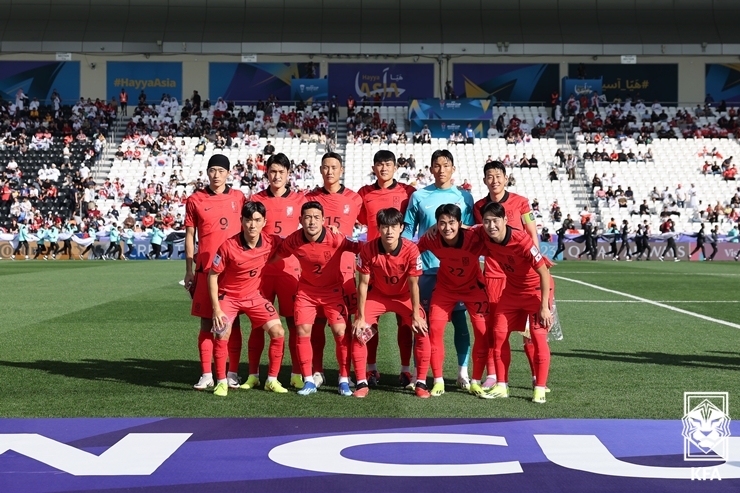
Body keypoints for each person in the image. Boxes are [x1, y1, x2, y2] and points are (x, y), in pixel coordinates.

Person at [273, 201, 363, 396]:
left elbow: (361, 248)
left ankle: (344, 379)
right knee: (302, 330)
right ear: (300, 220)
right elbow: (274, 256)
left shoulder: (335, 238)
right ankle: (308, 381)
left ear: (323, 220)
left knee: (341, 332)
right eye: (307, 217)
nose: (311, 222)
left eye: (316, 217)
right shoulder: (293, 240)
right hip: (307, 292)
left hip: (333, 291)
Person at [403, 149, 475, 390]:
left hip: (457, 272)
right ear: (431, 169)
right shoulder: (419, 196)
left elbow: (472, 229)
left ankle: (462, 372)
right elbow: (407, 231)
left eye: (446, 165)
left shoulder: (465, 197)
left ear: (453, 169)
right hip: (426, 270)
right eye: (437, 165)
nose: (441, 169)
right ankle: (418, 373)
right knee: (422, 324)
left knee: (460, 323)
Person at [472, 160, 547, 390]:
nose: (494, 181)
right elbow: (480, 234)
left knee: (530, 333)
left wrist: (535, 261)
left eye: (498, 176)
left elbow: (532, 233)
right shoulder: (479, 206)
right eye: (490, 177)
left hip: (523, 277)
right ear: (485, 180)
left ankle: (537, 377)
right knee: (497, 330)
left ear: (506, 178)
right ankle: (494, 377)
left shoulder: (522, 203)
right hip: (494, 274)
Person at [476, 201, 554, 404]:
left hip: (536, 291)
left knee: (537, 337)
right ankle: (502, 386)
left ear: (504, 220)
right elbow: (464, 229)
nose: (491, 225)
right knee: (499, 334)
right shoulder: (483, 233)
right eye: (486, 221)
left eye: (495, 221)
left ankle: (539, 388)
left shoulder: (522, 241)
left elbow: (544, 273)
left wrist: (545, 307)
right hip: (512, 291)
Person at [208, 201, 288, 397]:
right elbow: (212, 275)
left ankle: (271, 380)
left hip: (254, 297)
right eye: (248, 220)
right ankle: (221, 382)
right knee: (221, 333)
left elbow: (296, 240)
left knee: (278, 331)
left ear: (264, 222)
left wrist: (329, 230)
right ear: (241, 221)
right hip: (229, 297)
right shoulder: (227, 246)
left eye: (257, 220)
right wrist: (217, 308)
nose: (252, 225)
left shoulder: (271, 241)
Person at [184, 154, 247, 391]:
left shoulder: (238, 197)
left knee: (234, 321)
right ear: (207, 172)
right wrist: (189, 269)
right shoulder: (195, 200)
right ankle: (206, 373)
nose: (216, 174)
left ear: (229, 173)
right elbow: (190, 236)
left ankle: (232, 372)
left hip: (233, 271)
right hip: (205, 269)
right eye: (213, 170)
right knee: (205, 322)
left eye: (221, 170)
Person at [351, 207, 429, 398]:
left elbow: (414, 285)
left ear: (401, 227)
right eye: (385, 227)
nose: (389, 231)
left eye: (394, 227)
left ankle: (420, 381)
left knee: (422, 330)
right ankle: (362, 380)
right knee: (360, 331)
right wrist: (360, 317)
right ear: (378, 228)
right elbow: (362, 284)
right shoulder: (368, 248)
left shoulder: (411, 249)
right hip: (378, 296)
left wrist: (417, 316)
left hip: (404, 297)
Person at [357, 150, 417, 388]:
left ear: (395, 167)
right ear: (374, 168)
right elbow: (359, 218)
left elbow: (416, 219)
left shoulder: (408, 192)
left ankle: (405, 370)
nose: (384, 168)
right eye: (379, 165)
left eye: (388, 164)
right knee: (370, 322)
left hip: (401, 264)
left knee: (406, 322)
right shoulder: (364, 193)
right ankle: (371, 369)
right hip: (374, 263)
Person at [418, 204, 490, 398]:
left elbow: (493, 231)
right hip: (445, 289)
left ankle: (475, 380)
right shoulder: (432, 238)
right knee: (435, 330)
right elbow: (412, 250)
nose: (447, 227)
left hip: (473, 289)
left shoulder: (474, 238)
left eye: (451, 222)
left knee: (482, 332)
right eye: (442, 223)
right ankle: (438, 380)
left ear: (460, 223)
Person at [247, 153, 306, 390]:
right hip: (262, 272)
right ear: (267, 173)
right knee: (258, 324)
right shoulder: (256, 199)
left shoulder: (300, 200)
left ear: (288, 174)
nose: (277, 176)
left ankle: (296, 373)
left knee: (294, 324)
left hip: (291, 272)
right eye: (273, 171)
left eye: (281, 172)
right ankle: (253, 374)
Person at [305, 152, 362, 388]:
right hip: (317, 274)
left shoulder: (355, 199)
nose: (330, 172)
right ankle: (317, 371)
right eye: (326, 167)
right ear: (320, 170)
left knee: (347, 327)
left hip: (346, 273)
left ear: (341, 170)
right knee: (317, 326)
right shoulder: (308, 198)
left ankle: (349, 374)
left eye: (334, 167)